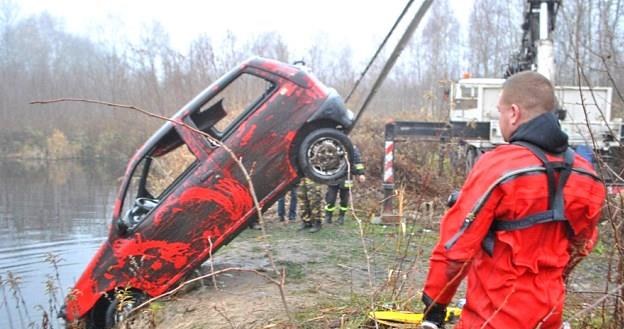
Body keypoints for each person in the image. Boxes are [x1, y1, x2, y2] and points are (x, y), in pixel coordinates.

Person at [418, 71, 605, 329]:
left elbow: (456, 248)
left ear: (514, 113)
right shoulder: (587, 175)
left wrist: (434, 307)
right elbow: (581, 245)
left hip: (491, 318)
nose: (500, 118)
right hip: (548, 317)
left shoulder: (499, 166)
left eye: (500, 111)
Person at [324, 145, 365, 225]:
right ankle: (328, 216)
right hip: (333, 176)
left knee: (344, 199)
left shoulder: (352, 147)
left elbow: (357, 162)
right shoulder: (331, 144)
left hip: (346, 176)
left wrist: (361, 174)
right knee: (330, 198)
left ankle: (341, 217)